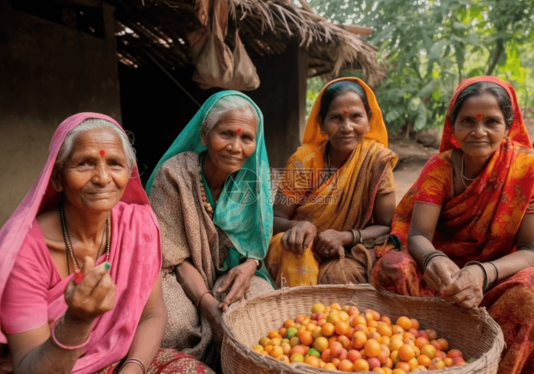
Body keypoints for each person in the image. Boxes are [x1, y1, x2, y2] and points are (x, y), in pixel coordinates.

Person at [373, 76, 534, 374]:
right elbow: (420, 235)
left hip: (498, 280)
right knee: (393, 267)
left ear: (508, 125)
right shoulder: (441, 167)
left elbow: (532, 250)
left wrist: (482, 272)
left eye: (491, 122)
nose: (479, 132)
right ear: (453, 125)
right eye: (467, 122)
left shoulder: (530, 171)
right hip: (439, 281)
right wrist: (434, 258)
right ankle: (411, 354)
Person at [0, 113, 213, 374]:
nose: (102, 178)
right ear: (58, 177)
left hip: (117, 361)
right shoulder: (25, 250)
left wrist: (132, 369)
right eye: (85, 164)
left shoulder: (138, 225)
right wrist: (77, 321)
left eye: (114, 164)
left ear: (129, 173)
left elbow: (153, 314)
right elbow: (29, 368)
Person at [146, 91, 274, 370]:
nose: (235, 147)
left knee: (261, 314)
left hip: (233, 272)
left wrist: (251, 265)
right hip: (178, 273)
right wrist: (208, 306)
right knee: (173, 326)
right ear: (204, 136)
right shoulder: (174, 175)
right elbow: (172, 256)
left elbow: (256, 245)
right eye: (226, 134)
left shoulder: (253, 181)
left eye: (246, 138)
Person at [265, 77, 398, 288]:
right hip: (300, 245)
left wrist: (345, 237)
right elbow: (274, 218)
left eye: (356, 117)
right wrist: (299, 226)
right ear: (321, 124)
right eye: (336, 118)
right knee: (297, 257)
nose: (347, 127)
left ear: (369, 119)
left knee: (343, 278)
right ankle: (298, 318)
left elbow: (387, 225)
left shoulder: (376, 160)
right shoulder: (304, 161)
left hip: (348, 248)